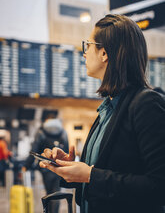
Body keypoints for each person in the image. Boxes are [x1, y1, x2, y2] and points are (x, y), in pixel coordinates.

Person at [39, 14, 165, 213]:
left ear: (104, 53)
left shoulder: (146, 104)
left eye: (87, 45)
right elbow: (106, 177)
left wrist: (90, 175)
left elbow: (159, 186)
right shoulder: (108, 108)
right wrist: (73, 169)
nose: (84, 53)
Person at [23, 110, 69, 213]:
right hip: (59, 167)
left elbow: (34, 149)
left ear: (46, 120)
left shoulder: (41, 131)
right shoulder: (63, 131)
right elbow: (66, 150)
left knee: (49, 192)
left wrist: (26, 165)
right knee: (57, 192)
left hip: (46, 168)